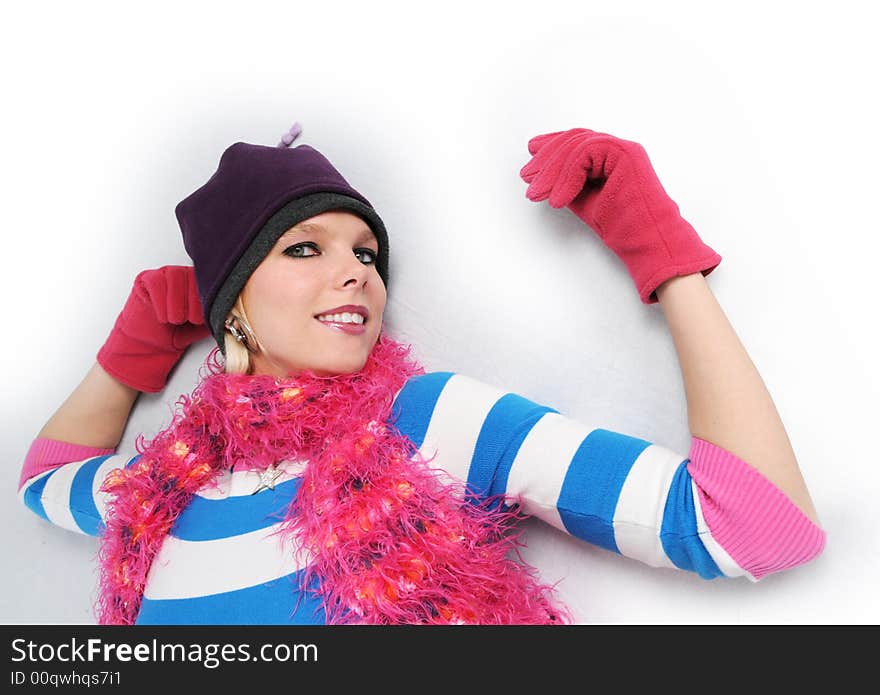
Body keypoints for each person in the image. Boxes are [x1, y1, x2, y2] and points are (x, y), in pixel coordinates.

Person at [17, 122, 826, 625]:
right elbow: (45, 477)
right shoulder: (165, 489)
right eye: (306, 248)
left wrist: (664, 255)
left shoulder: (432, 423)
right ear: (232, 302)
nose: (358, 274)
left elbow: (756, 526)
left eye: (366, 253)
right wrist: (132, 349)